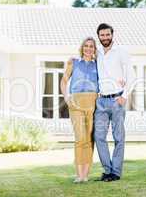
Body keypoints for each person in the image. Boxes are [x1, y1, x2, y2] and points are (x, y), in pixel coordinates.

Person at [94, 23, 134, 182]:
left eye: (107, 35)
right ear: (98, 36)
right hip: (101, 102)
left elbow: (131, 74)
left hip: (117, 99)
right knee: (99, 137)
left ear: (112, 35)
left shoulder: (121, 52)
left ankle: (115, 172)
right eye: (102, 35)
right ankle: (107, 170)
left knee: (118, 137)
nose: (105, 38)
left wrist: (125, 95)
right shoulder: (97, 54)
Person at [60, 37, 99, 183]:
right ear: (82, 48)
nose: (88, 48)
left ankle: (85, 175)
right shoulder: (74, 63)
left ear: (95, 50)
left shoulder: (98, 65)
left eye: (91, 46)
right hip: (76, 102)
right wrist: (66, 97)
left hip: (93, 102)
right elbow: (64, 81)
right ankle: (78, 175)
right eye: (86, 46)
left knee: (89, 139)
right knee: (79, 138)